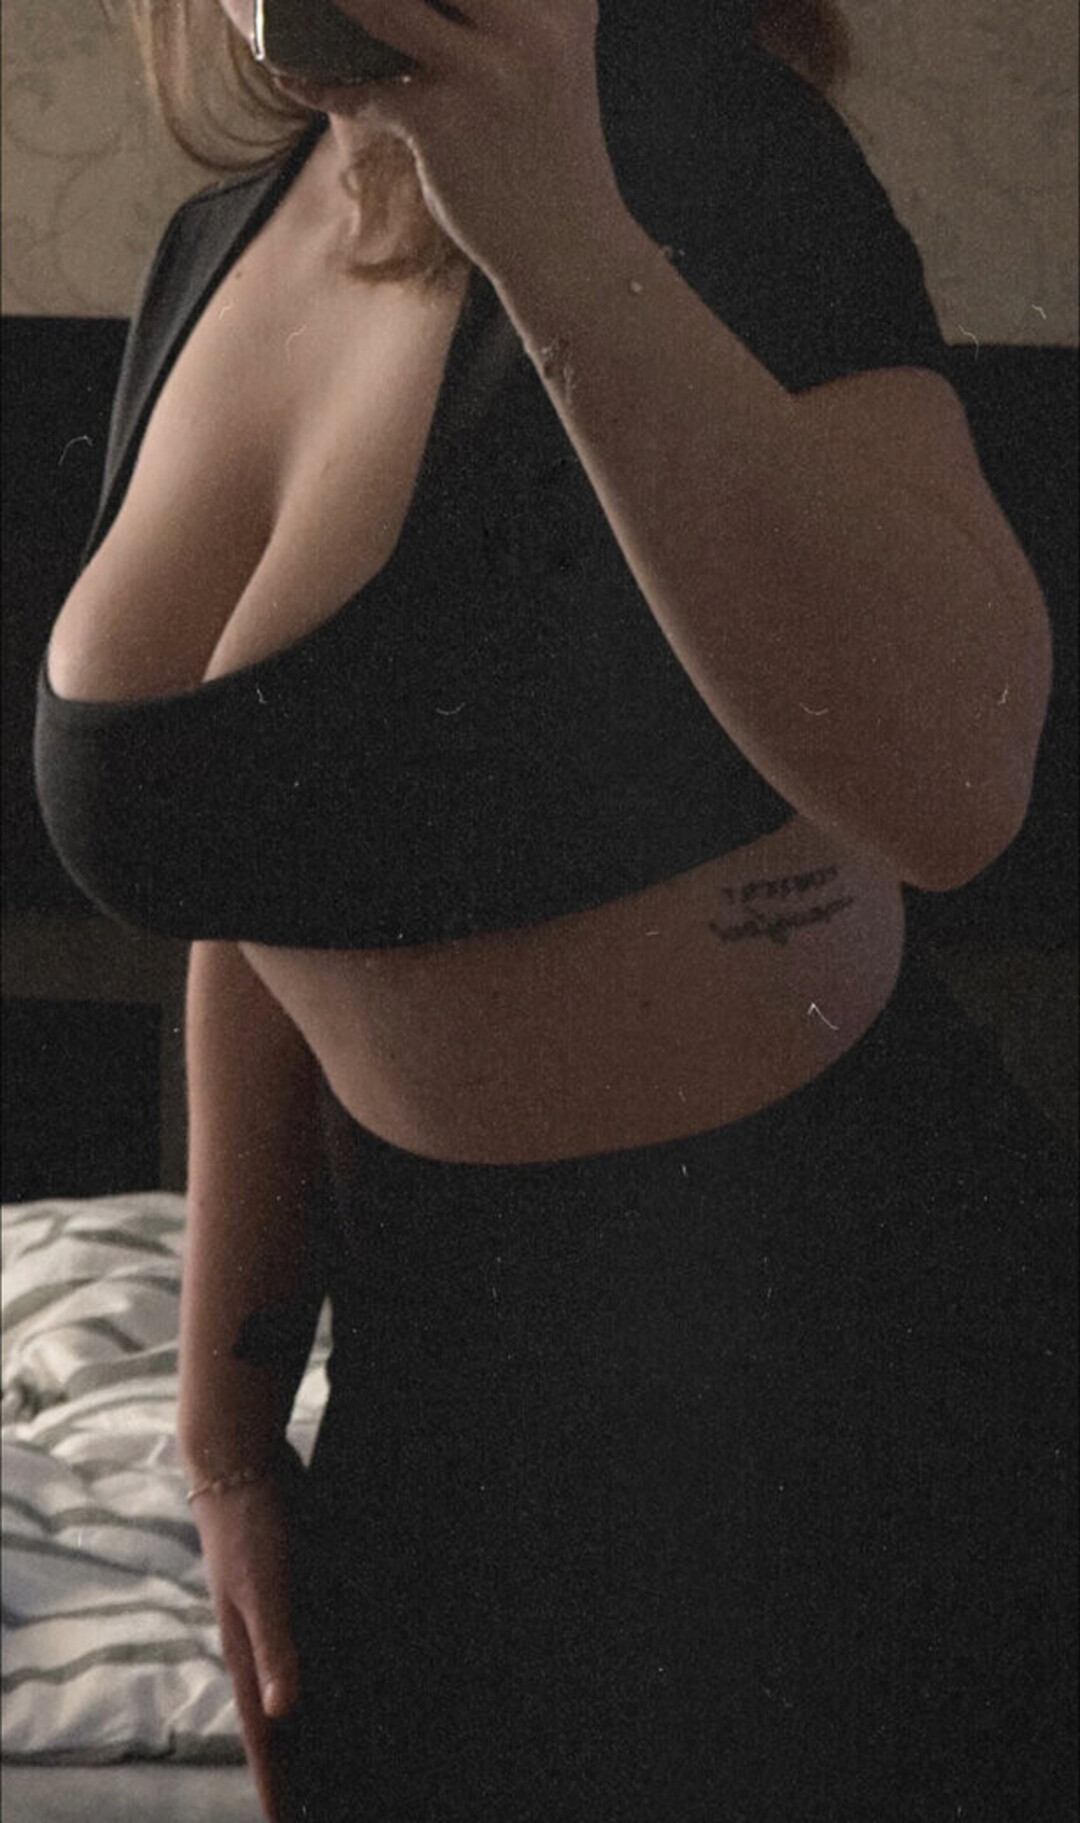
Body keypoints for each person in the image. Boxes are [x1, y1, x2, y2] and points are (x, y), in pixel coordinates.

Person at [35, 2, 1076, 1818]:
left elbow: (960, 789)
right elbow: (262, 865)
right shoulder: (223, 240)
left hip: (827, 1367)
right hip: (434, 1377)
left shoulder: (712, 154)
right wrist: (228, 1445)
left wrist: (559, 231)